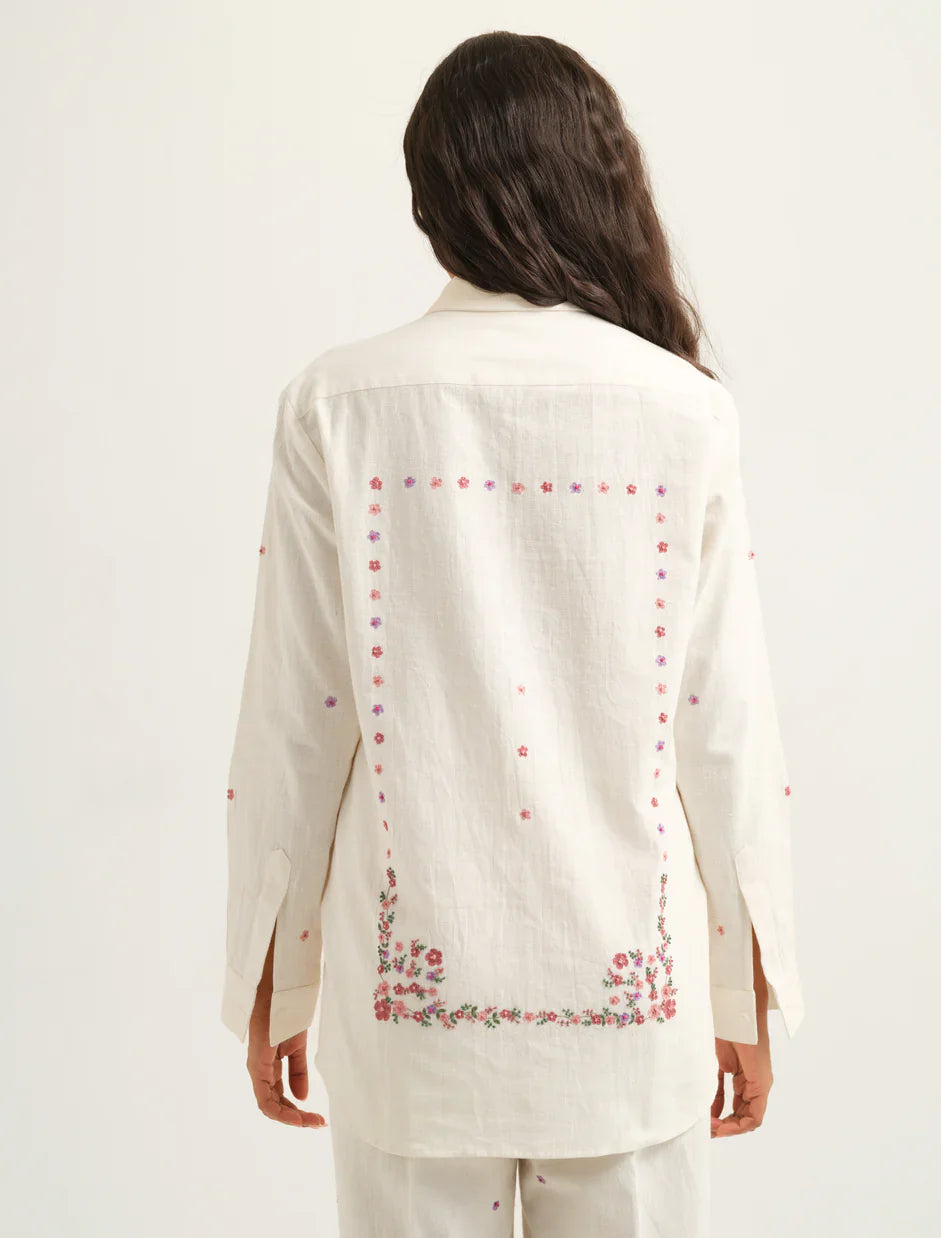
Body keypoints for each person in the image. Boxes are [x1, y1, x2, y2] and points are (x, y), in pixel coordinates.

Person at [220, 29, 803, 1238]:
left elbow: (297, 715)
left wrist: (276, 968)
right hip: (630, 1019)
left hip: (410, 1020)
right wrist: (745, 988)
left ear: (431, 195)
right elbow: (724, 729)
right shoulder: (681, 410)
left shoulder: (340, 402)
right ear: (598, 180)